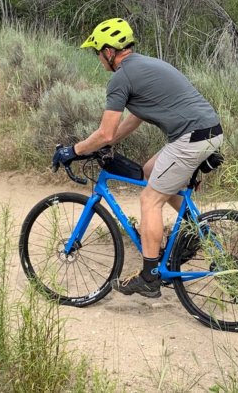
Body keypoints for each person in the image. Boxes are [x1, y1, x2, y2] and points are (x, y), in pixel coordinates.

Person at [52, 18, 223, 298]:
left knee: (149, 199)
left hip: (191, 137)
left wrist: (75, 150)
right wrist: (103, 144)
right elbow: (134, 119)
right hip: (206, 132)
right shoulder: (146, 66)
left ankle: (150, 276)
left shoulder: (122, 77)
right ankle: (192, 234)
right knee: (148, 172)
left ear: (109, 51)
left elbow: (105, 132)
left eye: (97, 52)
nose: (98, 59)